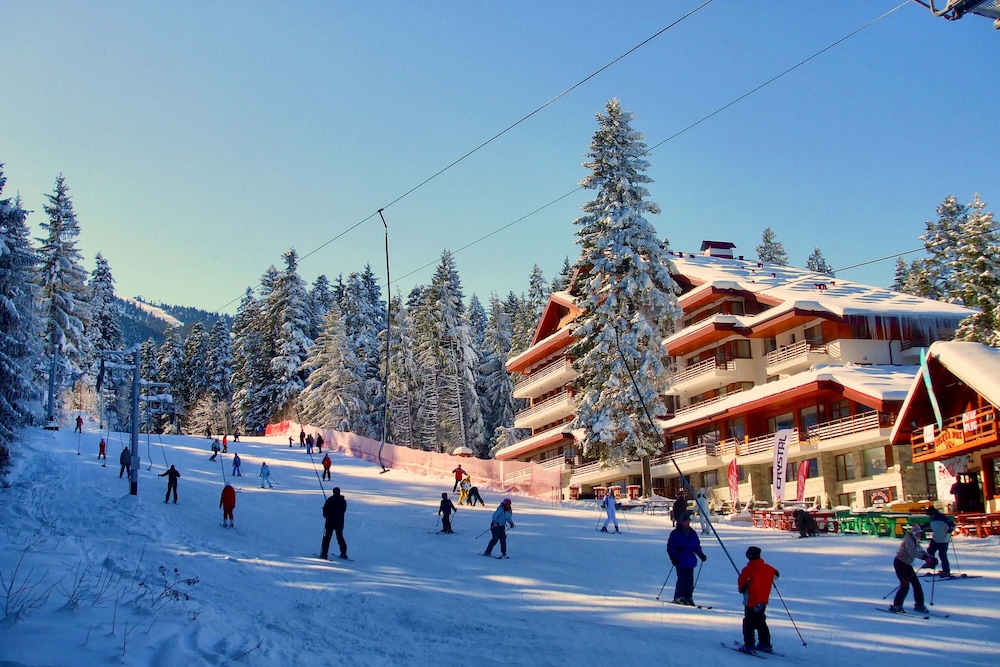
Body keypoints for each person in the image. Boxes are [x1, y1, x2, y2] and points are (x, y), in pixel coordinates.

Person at [737, 546, 780, 655]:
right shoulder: (768, 568)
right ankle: (765, 644)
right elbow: (776, 574)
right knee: (760, 621)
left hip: (751, 600)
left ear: (749, 556)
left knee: (749, 623)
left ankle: (749, 645)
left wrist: (744, 587)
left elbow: (741, 587)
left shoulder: (747, 570)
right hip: (763, 599)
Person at [889, 523, 936, 614]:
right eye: (918, 533)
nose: (920, 535)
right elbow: (912, 552)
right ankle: (897, 605)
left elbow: (920, 551)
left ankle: (919, 604)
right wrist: (925, 558)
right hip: (900, 563)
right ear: (914, 533)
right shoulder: (909, 539)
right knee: (905, 584)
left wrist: (930, 558)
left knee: (916, 584)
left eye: (920, 533)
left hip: (907, 564)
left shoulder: (915, 540)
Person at [666, 514, 707, 605]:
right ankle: (679, 596)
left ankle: (688, 597)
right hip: (680, 559)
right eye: (685, 522)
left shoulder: (692, 533)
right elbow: (670, 546)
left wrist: (701, 554)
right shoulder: (675, 533)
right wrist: (673, 557)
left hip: (690, 560)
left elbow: (696, 546)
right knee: (682, 579)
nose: (687, 523)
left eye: (688, 522)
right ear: (681, 522)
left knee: (690, 580)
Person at [924, 506, 955, 577]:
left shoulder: (942, 517)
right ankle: (931, 563)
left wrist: (950, 529)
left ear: (934, 513)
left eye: (930, 514)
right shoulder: (932, 518)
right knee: (930, 551)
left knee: (942, 555)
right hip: (936, 538)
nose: (930, 516)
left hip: (943, 539)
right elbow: (930, 524)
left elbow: (952, 524)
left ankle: (946, 571)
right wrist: (921, 526)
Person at [320, 487, 348, 559]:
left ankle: (324, 553)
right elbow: (343, 511)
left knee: (327, 538)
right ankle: (343, 553)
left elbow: (325, 513)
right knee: (340, 537)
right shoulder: (343, 501)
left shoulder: (329, 500)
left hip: (330, 523)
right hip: (339, 522)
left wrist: (327, 513)